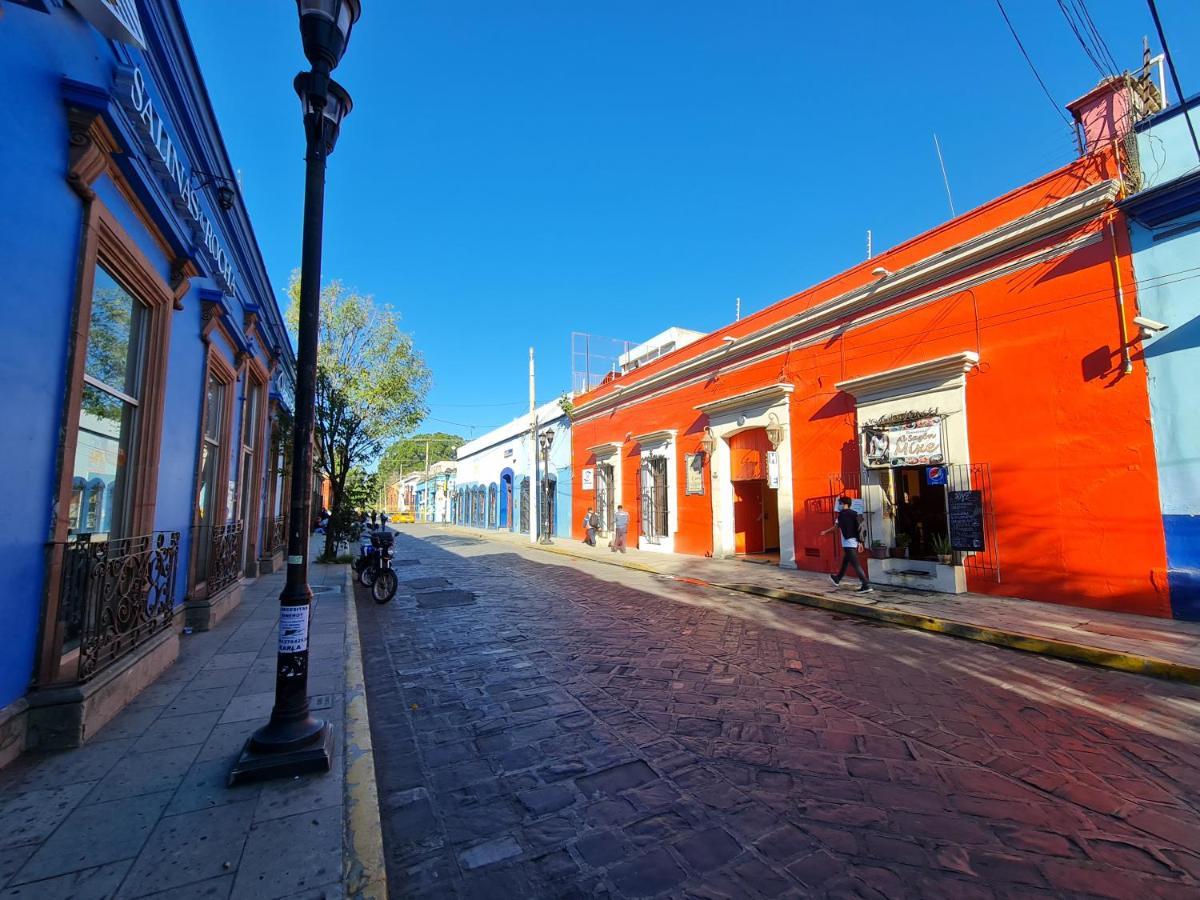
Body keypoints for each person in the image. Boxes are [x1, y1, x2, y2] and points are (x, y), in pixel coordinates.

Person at [821, 496, 872, 593]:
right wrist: (860, 542)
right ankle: (837, 578)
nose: (838, 506)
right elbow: (860, 529)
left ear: (845, 504)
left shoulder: (842, 515)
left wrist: (825, 532)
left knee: (856, 564)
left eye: (840, 504)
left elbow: (836, 527)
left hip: (848, 543)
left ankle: (866, 585)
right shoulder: (855, 514)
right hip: (853, 542)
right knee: (845, 562)